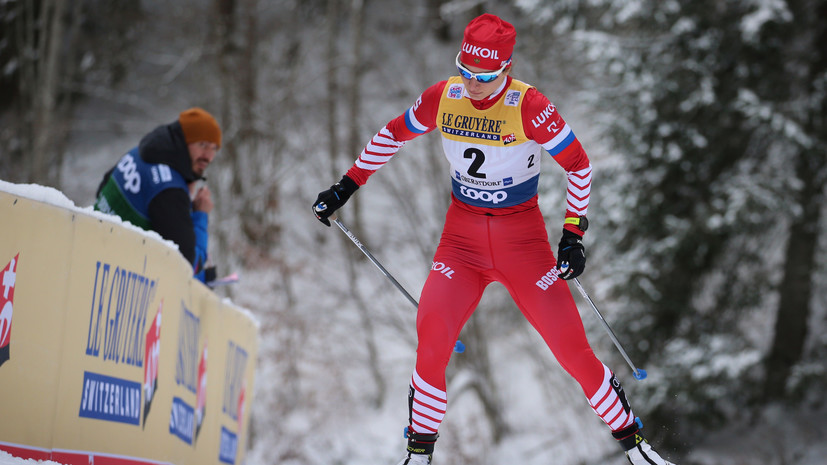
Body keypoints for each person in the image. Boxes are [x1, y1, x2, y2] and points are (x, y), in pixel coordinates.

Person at [312, 13, 677, 465]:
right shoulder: (444, 97)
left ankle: (638, 449)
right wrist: (345, 186)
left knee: (572, 349)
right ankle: (417, 456)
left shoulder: (530, 106)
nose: (473, 85)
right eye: (466, 72)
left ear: (506, 69)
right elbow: (393, 134)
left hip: (522, 244)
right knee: (431, 335)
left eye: (484, 77)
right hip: (460, 243)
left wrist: (572, 236)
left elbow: (579, 165)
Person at [94, 107, 220, 284]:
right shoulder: (169, 190)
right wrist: (200, 214)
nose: (209, 156)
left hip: (95, 251)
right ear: (184, 141)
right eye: (202, 145)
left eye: (214, 148)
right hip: (113, 278)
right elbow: (186, 267)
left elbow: (101, 191)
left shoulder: (139, 153)